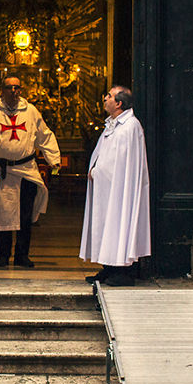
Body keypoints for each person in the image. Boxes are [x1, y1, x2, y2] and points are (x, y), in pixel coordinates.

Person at [0, 76, 60, 268]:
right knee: (2, 215)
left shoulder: (30, 111)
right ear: (2, 90)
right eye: (9, 88)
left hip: (26, 170)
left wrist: (54, 159)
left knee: (25, 216)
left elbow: (45, 136)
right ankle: (3, 255)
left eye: (17, 87)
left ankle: (22, 255)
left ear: (21, 90)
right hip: (1, 171)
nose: (14, 91)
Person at [79, 85, 151, 286]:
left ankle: (123, 271)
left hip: (120, 189)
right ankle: (109, 267)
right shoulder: (112, 124)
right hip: (107, 188)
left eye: (109, 96)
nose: (105, 98)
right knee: (105, 223)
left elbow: (124, 162)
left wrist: (100, 172)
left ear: (118, 103)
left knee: (119, 223)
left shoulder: (130, 126)